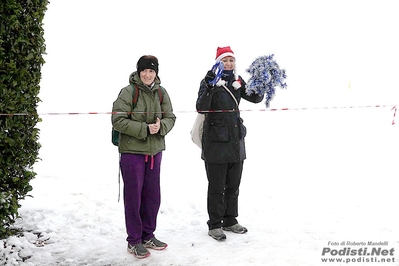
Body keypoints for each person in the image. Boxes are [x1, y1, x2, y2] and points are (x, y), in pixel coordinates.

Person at [196, 46, 264, 241]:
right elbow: (201, 107)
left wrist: (260, 82)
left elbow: (255, 98)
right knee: (217, 186)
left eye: (231, 60)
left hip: (235, 142)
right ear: (218, 62)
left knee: (233, 185)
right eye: (224, 60)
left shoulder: (237, 81)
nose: (228, 63)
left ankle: (230, 220)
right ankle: (215, 224)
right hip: (216, 143)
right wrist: (210, 86)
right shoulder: (209, 80)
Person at [112, 55, 176, 258]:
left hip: (154, 152)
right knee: (134, 197)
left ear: (156, 73)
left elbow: (171, 117)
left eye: (152, 71)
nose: (148, 74)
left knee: (152, 196)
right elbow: (118, 120)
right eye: (145, 71)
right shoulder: (128, 92)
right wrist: (145, 129)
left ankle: (148, 234)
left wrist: (161, 127)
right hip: (132, 153)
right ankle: (134, 240)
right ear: (139, 72)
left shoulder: (161, 92)